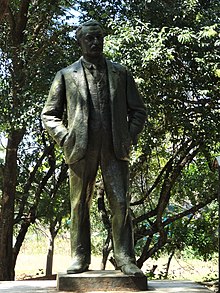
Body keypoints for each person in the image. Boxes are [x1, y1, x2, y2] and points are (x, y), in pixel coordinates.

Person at [41, 20, 147, 276]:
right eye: (89, 38)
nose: (95, 42)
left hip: (114, 147)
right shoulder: (66, 75)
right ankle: (79, 256)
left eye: (98, 37)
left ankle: (125, 258)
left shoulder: (121, 73)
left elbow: (139, 111)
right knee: (79, 204)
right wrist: (65, 137)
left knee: (120, 202)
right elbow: (49, 114)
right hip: (80, 148)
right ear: (79, 41)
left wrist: (127, 137)